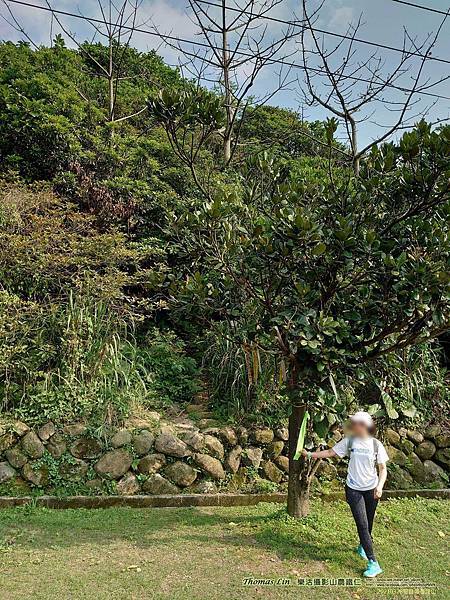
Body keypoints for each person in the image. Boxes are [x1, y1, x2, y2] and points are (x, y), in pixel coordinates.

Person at [302, 410, 389, 578]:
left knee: (368, 522)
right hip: (353, 488)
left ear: (363, 426)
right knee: (362, 524)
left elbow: (383, 469)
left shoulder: (376, 445)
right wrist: (310, 454)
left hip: (371, 489)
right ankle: (373, 563)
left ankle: (363, 546)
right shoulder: (349, 442)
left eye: (355, 423)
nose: (352, 425)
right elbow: (330, 453)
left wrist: (380, 486)